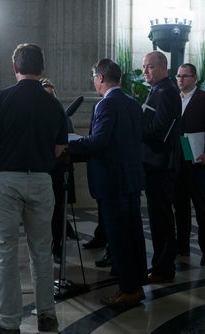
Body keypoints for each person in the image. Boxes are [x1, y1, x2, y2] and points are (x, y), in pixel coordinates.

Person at [0, 43, 67, 333]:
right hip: (40, 180)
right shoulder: (53, 103)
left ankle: (8, 320)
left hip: (7, 181)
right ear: (42, 68)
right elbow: (61, 146)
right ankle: (47, 315)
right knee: (41, 250)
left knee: (4, 252)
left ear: (15, 67)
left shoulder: (2, 99)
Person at [70, 58, 147, 306]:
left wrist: (69, 145)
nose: (93, 82)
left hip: (112, 182)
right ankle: (136, 283)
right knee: (133, 234)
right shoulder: (134, 104)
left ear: (101, 78)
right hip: (131, 179)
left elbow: (99, 141)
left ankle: (128, 289)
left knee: (118, 237)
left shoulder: (105, 105)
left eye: (94, 77)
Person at [173, 63, 205, 266]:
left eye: (185, 76)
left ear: (194, 78)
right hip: (180, 157)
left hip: (200, 158)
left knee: (202, 206)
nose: (181, 80)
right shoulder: (175, 98)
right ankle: (182, 246)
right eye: (178, 76)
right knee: (180, 206)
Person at [141, 51, 181, 283]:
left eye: (150, 67)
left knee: (162, 219)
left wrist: (135, 128)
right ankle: (159, 265)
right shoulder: (158, 90)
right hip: (154, 164)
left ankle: (164, 269)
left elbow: (160, 131)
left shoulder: (166, 91)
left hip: (161, 165)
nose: (146, 71)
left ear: (164, 68)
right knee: (157, 218)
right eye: (144, 67)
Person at [40, 77, 77, 263]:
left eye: (52, 95)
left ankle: (57, 247)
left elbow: (68, 141)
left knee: (58, 213)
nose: (50, 99)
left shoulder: (64, 117)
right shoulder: (34, 117)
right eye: (45, 95)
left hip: (58, 172)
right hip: (40, 173)